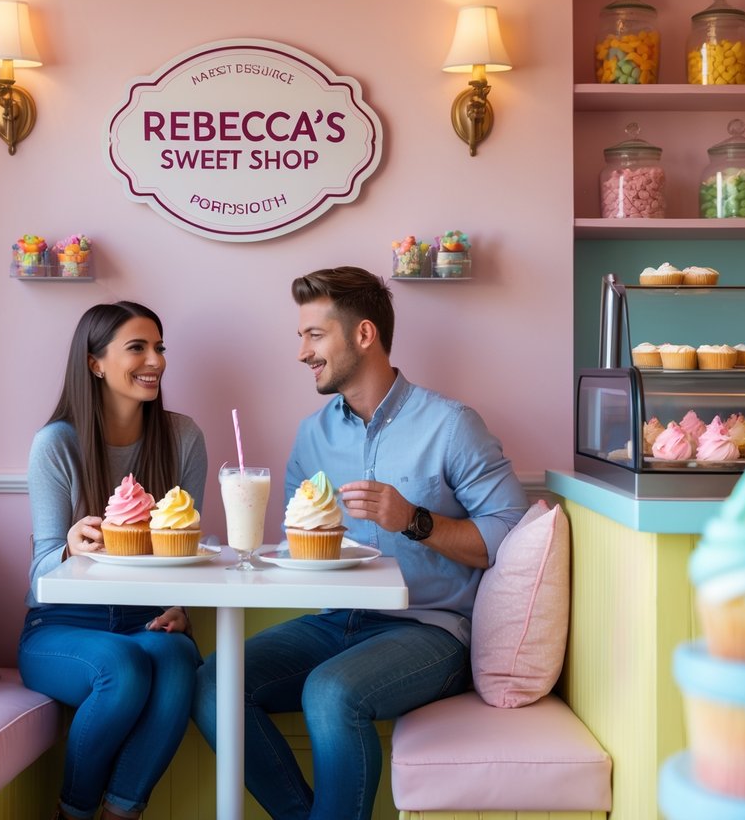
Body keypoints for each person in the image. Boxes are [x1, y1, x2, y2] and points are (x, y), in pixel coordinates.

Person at [193, 267, 527, 820]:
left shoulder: (451, 425)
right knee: (213, 683)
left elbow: (508, 537)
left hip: (432, 630)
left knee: (330, 694)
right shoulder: (312, 436)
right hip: (337, 623)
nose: (302, 352)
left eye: (314, 335)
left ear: (363, 335)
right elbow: (296, 546)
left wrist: (415, 521)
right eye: (301, 337)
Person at [19, 301, 207, 820]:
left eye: (160, 347)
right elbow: (39, 580)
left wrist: (179, 606)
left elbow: (188, 551)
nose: (156, 360)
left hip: (143, 619)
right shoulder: (56, 445)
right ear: (94, 362)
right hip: (60, 628)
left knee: (175, 660)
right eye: (138, 348)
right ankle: (73, 812)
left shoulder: (184, 437)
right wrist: (67, 549)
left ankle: (121, 813)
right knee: (122, 667)